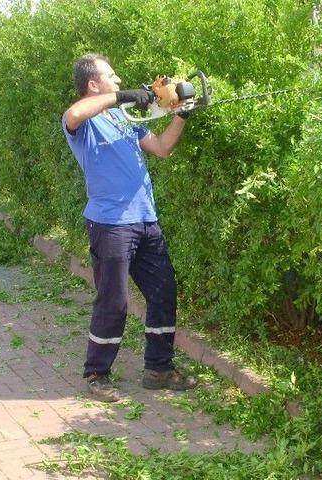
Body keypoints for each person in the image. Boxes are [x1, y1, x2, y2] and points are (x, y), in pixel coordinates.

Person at [63, 53, 196, 402]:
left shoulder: (125, 120)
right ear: (94, 84)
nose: (119, 80)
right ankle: (96, 374)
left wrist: (181, 114)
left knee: (164, 291)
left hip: (146, 221)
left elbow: (163, 148)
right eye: (112, 76)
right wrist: (123, 97)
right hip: (111, 226)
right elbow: (75, 113)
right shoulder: (84, 123)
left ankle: (159, 368)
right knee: (115, 302)